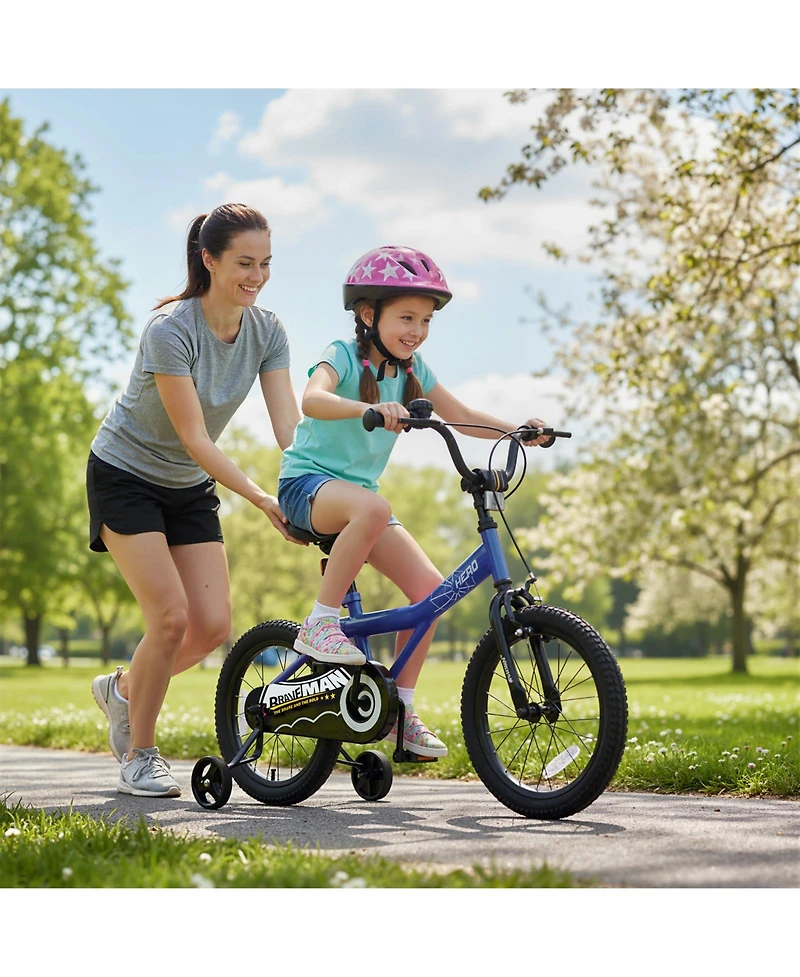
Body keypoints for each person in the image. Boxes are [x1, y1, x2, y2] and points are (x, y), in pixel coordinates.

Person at [278, 245, 550, 758]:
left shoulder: (414, 368)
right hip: (305, 485)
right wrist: (369, 408)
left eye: (425, 320)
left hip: (360, 501)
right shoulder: (342, 353)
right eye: (406, 317)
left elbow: (463, 415)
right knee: (373, 508)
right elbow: (311, 399)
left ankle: (400, 712)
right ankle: (320, 623)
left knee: (432, 592)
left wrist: (516, 429)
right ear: (368, 313)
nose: (417, 330)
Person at [89, 203, 303, 798]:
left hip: (186, 485)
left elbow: (289, 429)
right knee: (170, 617)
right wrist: (261, 499)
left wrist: (313, 478)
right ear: (208, 260)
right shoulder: (170, 330)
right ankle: (140, 754)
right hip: (126, 474)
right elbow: (195, 437)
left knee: (211, 628)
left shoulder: (268, 331)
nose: (255, 276)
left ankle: (124, 689)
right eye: (242, 263)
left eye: (265, 263)